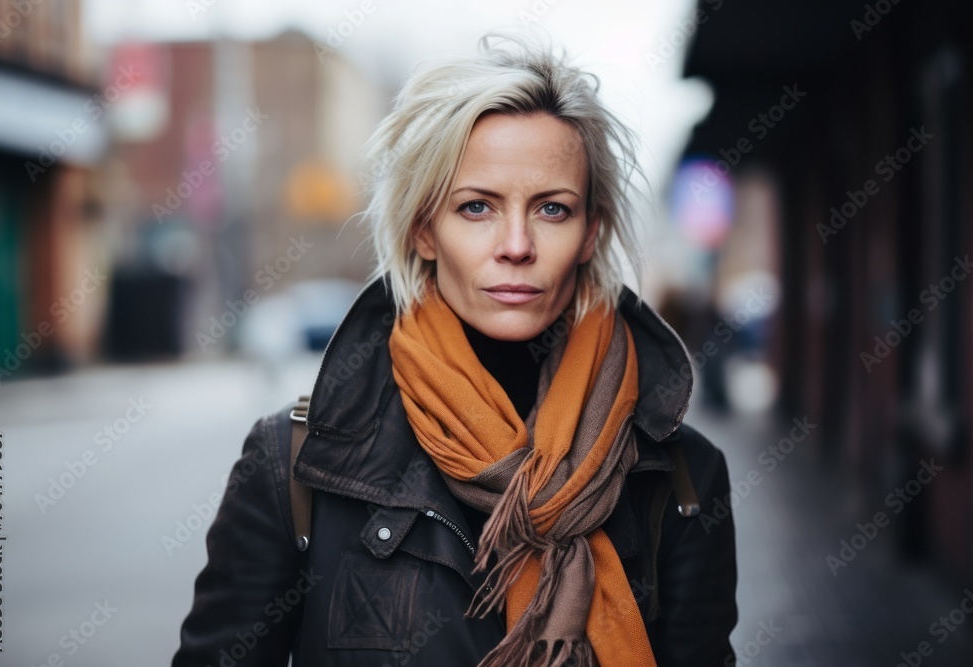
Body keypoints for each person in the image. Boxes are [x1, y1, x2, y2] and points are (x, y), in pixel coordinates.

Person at [172, 31, 737, 667]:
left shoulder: (681, 476)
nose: (516, 244)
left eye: (552, 209)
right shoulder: (295, 466)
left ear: (589, 234)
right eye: (476, 208)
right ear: (424, 229)